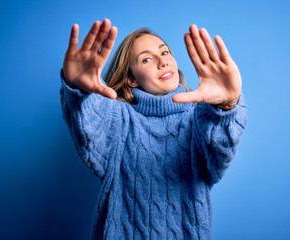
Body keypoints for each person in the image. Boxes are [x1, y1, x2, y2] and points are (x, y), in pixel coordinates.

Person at [60, 18, 247, 240]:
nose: (162, 61)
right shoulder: (119, 120)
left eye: (165, 52)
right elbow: (89, 126)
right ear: (131, 79)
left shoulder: (200, 119)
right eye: (147, 59)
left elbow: (220, 155)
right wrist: (77, 89)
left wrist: (227, 106)